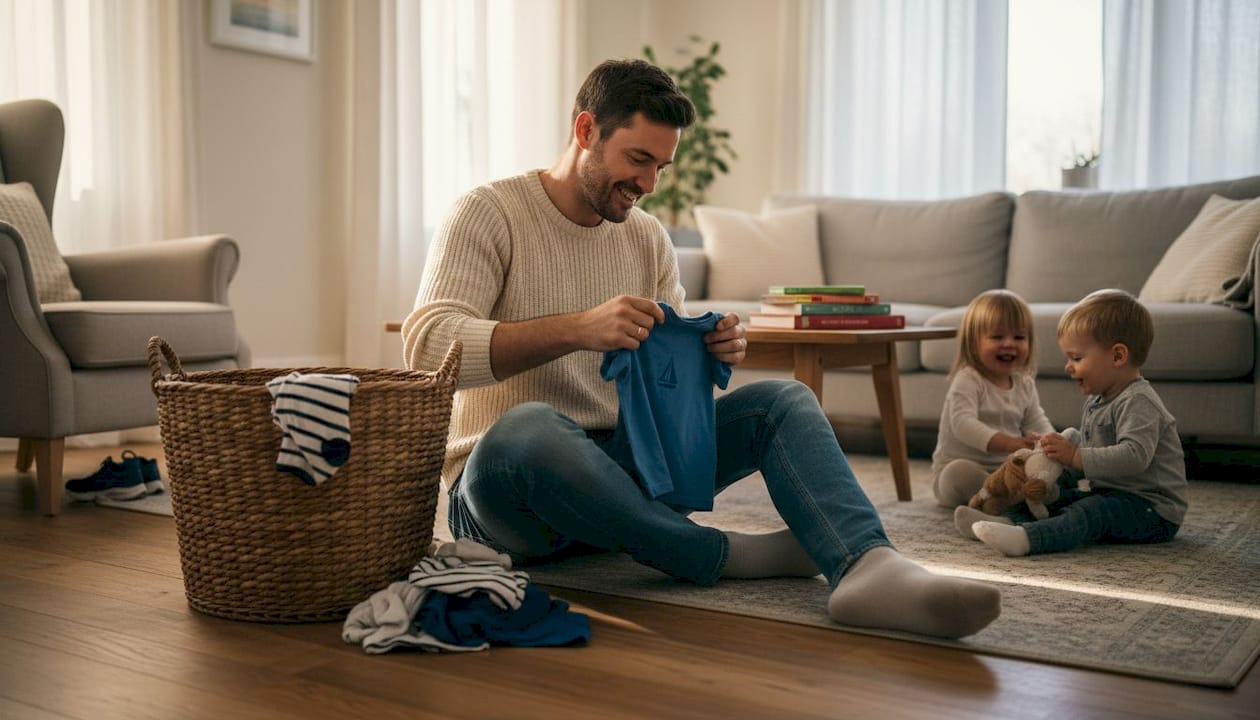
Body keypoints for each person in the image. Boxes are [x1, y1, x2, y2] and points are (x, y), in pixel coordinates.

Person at [402, 58, 1001, 638]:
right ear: (586, 130)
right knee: (527, 429)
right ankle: (719, 554)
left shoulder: (646, 238)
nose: (648, 183)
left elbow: (662, 376)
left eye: (661, 166)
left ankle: (869, 565)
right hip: (510, 502)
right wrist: (578, 328)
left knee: (783, 401)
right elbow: (427, 351)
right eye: (638, 159)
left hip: (626, 477)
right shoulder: (487, 213)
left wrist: (709, 353)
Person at [956, 289, 1188, 556]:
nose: (1068, 366)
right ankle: (1006, 519)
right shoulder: (1097, 401)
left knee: (1090, 512)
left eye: (1077, 358)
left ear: (1117, 357)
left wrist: (1076, 456)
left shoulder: (1139, 402)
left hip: (1153, 511)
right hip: (1114, 494)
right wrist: (1058, 464)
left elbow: (1134, 457)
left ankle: (1029, 539)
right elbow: (1092, 459)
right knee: (1055, 497)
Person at [931, 289, 1055, 508]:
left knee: (1046, 473)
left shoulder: (1024, 383)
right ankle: (1006, 499)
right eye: (997, 337)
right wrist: (1008, 443)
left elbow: (1037, 421)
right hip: (962, 469)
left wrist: (1050, 443)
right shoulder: (968, 379)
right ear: (973, 343)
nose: (1009, 343)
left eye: (1019, 337)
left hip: (1006, 470)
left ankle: (1001, 499)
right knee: (956, 473)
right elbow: (962, 424)